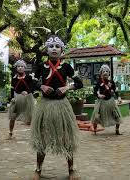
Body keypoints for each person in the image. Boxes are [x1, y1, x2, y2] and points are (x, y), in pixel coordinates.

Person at [30, 34, 83, 180]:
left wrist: (67, 88)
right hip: (45, 106)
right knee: (42, 137)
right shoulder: (41, 66)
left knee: (67, 137)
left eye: (57, 46)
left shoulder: (66, 67)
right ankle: (38, 169)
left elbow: (79, 83)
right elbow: (31, 84)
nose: (54, 49)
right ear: (46, 50)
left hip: (62, 106)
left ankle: (71, 169)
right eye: (51, 46)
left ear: (62, 50)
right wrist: (41, 86)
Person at [91, 64, 122, 135]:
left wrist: (119, 98)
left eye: (107, 71)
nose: (105, 73)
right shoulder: (98, 82)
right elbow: (95, 92)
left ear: (109, 73)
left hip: (111, 101)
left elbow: (115, 90)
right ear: (101, 73)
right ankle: (95, 130)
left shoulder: (111, 82)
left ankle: (117, 129)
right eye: (104, 71)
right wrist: (99, 95)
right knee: (96, 116)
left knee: (117, 115)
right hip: (101, 102)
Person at [7, 59, 34, 139]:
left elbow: (32, 87)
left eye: (22, 66)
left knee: (31, 116)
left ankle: (34, 133)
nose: (20, 68)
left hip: (28, 98)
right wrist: (12, 98)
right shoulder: (14, 78)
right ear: (16, 68)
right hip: (17, 98)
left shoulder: (29, 77)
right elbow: (12, 89)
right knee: (13, 116)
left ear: (24, 68)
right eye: (18, 66)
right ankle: (10, 133)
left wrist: (27, 91)